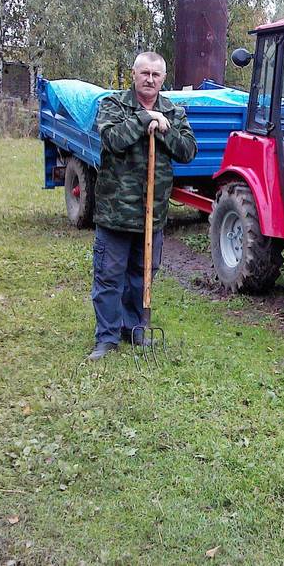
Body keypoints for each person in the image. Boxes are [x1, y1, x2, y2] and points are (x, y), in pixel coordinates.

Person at [87, 52, 197, 360]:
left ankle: (133, 329)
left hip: (153, 213)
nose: (149, 79)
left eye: (156, 75)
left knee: (142, 274)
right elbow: (112, 140)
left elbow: (188, 151)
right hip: (115, 212)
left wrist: (165, 130)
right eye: (144, 73)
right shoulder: (113, 105)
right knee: (109, 276)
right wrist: (143, 119)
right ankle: (106, 338)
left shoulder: (173, 112)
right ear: (134, 75)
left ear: (163, 79)